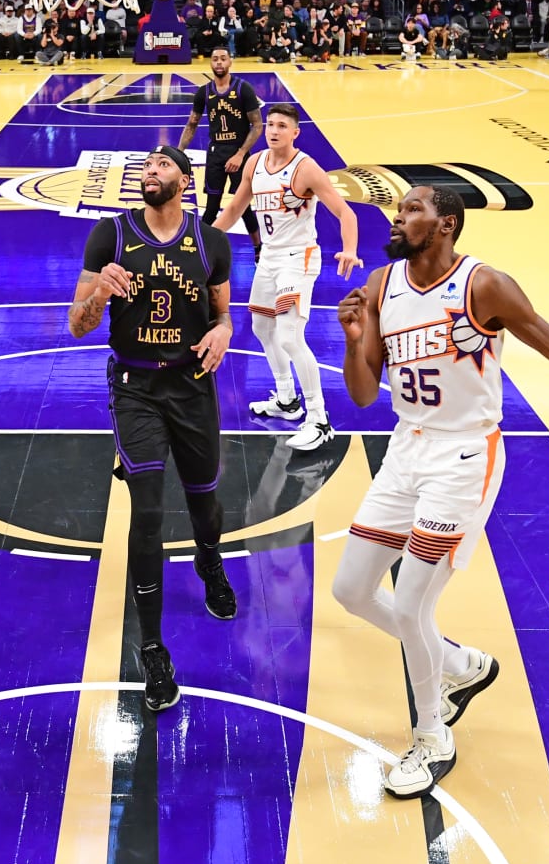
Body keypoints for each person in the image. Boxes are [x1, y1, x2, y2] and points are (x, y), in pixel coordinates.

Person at [331, 184, 549, 798]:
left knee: (412, 603)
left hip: (466, 455)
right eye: (400, 208)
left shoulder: (484, 286)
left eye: (412, 209)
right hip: (406, 447)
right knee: (351, 590)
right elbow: (363, 395)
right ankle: (462, 667)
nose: (398, 216)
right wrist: (354, 334)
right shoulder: (384, 286)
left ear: (446, 225)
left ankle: (432, 739)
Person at [68, 144, 236, 712]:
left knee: (205, 502)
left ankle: (208, 557)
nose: (150, 172)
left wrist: (222, 334)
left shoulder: (211, 243)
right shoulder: (109, 236)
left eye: (162, 166)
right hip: (136, 388)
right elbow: (77, 326)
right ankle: (153, 647)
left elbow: (224, 315)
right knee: (147, 510)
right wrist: (96, 294)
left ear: (184, 182)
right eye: (144, 167)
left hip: (192, 387)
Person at [213, 103, 361, 451]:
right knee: (264, 329)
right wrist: (205, 240)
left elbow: (345, 212)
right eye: (270, 124)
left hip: (299, 258)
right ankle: (286, 400)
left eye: (282, 125)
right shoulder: (254, 163)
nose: (274, 130)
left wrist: (350, 248)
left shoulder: (306, 169)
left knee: (291, 336)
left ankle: (319, 419)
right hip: (269, 258)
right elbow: (235, 208)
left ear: (295, 133)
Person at [177, 48, 263, 247]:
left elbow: (257, 125)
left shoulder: (243, 89)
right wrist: (178, 153)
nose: (219, 63)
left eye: (223, 59)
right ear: (210, 63)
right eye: (215, 59)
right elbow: (192, 123)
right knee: (211, 207)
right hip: (216, 153)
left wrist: (240, 154)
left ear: (230, 62)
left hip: (238, 152)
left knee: (244, 206)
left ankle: (259, 247)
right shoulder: (204, 92)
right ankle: (199, 248)